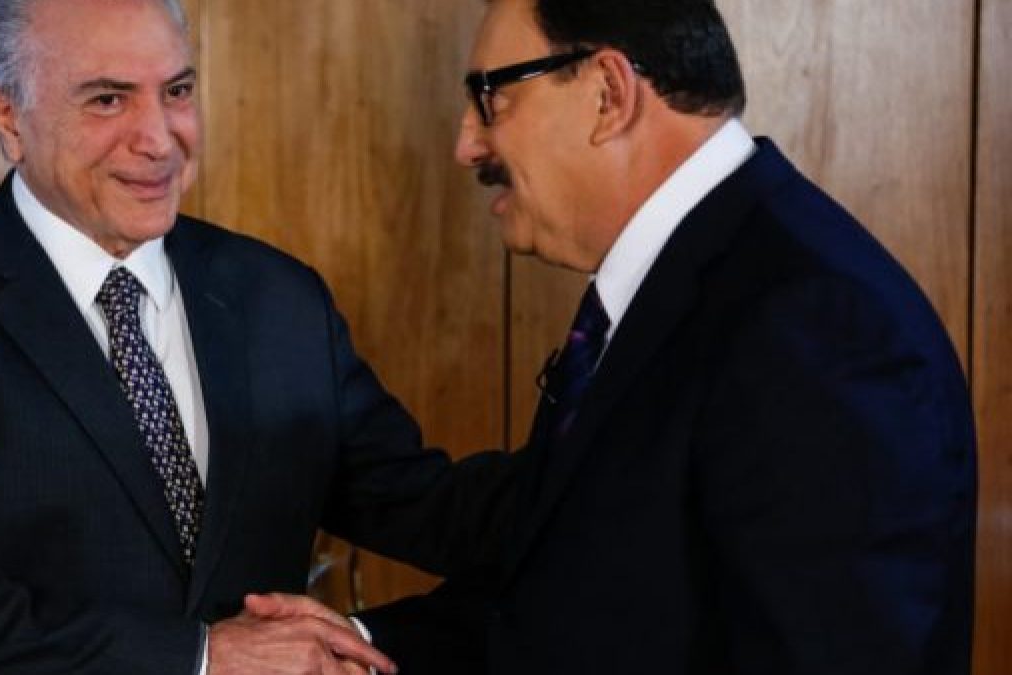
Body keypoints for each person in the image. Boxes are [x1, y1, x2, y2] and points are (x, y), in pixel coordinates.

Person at [254, 0, 978, 672]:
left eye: (491, 97)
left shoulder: (818, 327)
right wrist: (356, 647)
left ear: (608, 93)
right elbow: (574, 585)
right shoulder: (688, 287)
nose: (466, 145)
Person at [0, 0, 518, 672]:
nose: (159, 139)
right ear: (9, 113)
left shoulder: (280, 296)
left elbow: (425, 505)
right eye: (108, 99)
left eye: (177, 91)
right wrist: (204, 658)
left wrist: (585, 444)